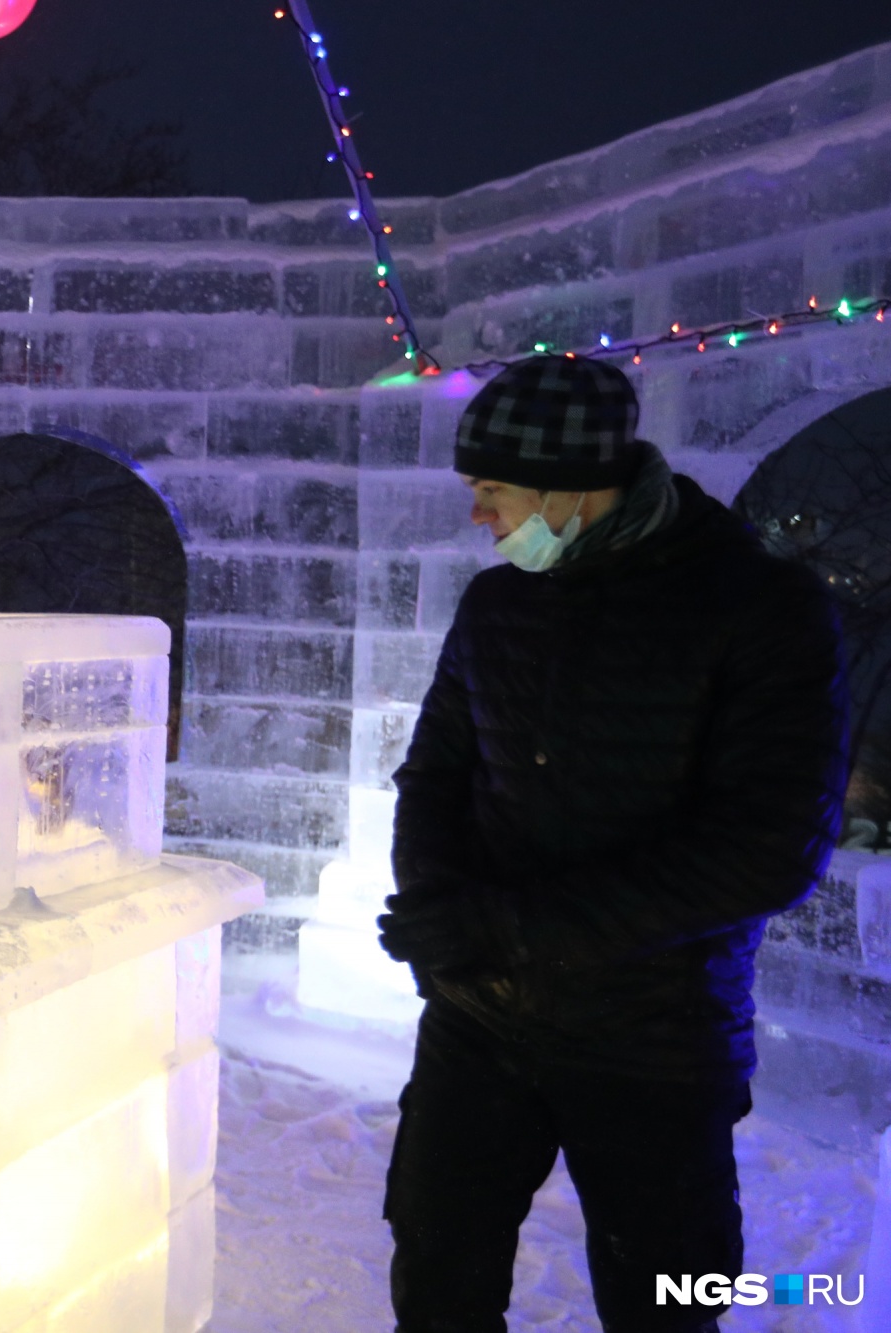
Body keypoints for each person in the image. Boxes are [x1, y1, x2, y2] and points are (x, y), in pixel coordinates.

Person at [376, 355, 847, 1333]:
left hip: (653, 1041)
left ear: (567, 490)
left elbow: (765, 849)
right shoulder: (497, 605)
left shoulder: (759, 610)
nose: (478, 517)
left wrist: (500, 925)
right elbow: (433, 776)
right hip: (478, 1023)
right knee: (435, 1269)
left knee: (668, 1295)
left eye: (489, 491)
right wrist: (439, 914)